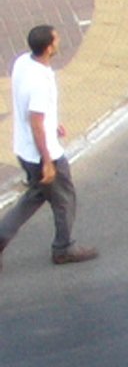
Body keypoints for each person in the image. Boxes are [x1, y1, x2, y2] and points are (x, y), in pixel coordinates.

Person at [1, 25, 99, 273]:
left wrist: (53, 124)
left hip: (23, 149)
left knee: (36, 195)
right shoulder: (41, 82)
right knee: (64, 199)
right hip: (43, 155)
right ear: (48, 47)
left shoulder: (23, 62)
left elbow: (35, 112)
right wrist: (47, 161)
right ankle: (63, 248)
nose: (59, 41)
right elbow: (36, 121)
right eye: (56, 39)